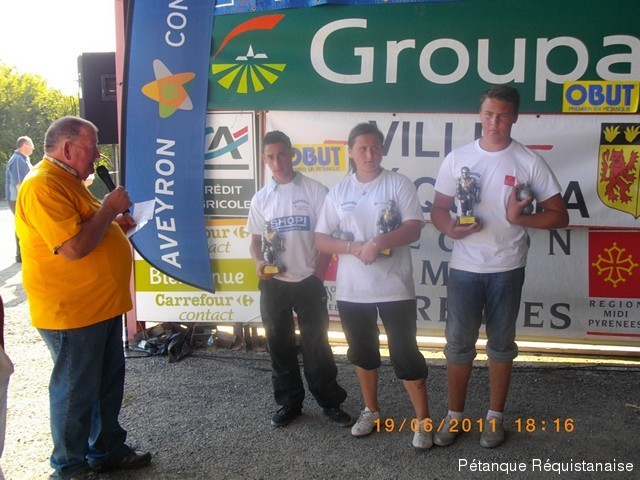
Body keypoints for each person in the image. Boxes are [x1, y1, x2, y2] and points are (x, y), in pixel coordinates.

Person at [431, 85, 569, 449]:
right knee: (458, 345)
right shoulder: (458, 158)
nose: (495, 122)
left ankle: (494, 417)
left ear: (515, 117)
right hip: (464, 266)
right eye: (489, 114)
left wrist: (519, 219)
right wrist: (451, 230)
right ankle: (455, 415)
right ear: (480, 115)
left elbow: (559, 215)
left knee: (501, 345)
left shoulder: (528, 161)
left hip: (507, 267)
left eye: (503, 115)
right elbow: (439, 209)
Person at [14, 116, 151, 480]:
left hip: (100, 306)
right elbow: (73, 248)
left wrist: (114, 224)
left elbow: (85, 228)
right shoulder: (42, 185)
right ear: (68, 148)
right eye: (92, 148)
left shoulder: (69, 181)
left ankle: (106, 449)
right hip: (72, 312)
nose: (97, 155)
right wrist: (108, 209)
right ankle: (69, 467)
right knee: (76, 392)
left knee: (106, 385)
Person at [315, 123, 433, 450]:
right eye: (363, 148)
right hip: (353, 291)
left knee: (405, 353)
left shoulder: (398, 183)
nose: (370, 154)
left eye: (375, 147)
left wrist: (378, 242)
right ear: (351, 152)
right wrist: (353, 247)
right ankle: (371, 410)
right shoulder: (339, 192)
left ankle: (423, 420)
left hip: (395, 287)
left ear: (382, 150)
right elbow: (321, 239)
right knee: (363, 352)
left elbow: (413, 228)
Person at [246, 130, 351, 428]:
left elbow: (327, 236)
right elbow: (255, 241)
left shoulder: (315, 191)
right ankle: (289, 403)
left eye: (282, 154)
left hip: (308, 281)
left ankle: (330, 402)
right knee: (279, 345)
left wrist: (318, 275)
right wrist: (258, 261)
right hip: (273, 283)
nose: (277, 161)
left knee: (316, 345)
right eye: (270, 156)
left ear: (291, 154)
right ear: (265, 160)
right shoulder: (261, 198)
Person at [4, 136, 34, 263]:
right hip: (17, 198)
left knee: (23, 224)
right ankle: (21, 255)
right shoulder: (18, 160)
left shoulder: (23, 159)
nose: (33, 148)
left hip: (19, 197)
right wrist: (26, 200)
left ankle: (22, 254)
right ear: (24, 145)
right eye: (31, 145)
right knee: (23, 224)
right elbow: (19, 183)